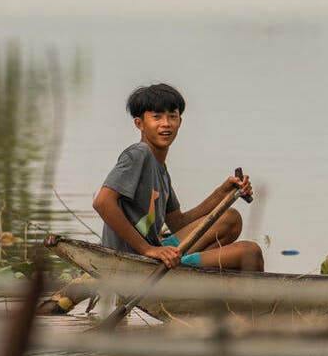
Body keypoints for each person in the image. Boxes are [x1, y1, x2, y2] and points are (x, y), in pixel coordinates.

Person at [92, 83, 264, 271]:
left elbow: (178, 223)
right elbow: (102, 202)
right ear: (139, 124)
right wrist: (148, 249)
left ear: (179, 122)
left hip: (156, 254)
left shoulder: (161, 169)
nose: (166, 124)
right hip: (134, 262)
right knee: (250, 252)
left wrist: (223, 192)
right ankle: (186, 275)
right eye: (156, 117)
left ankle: (187, 274)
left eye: (172, 117)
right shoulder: (139, 153)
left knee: (230, 219)